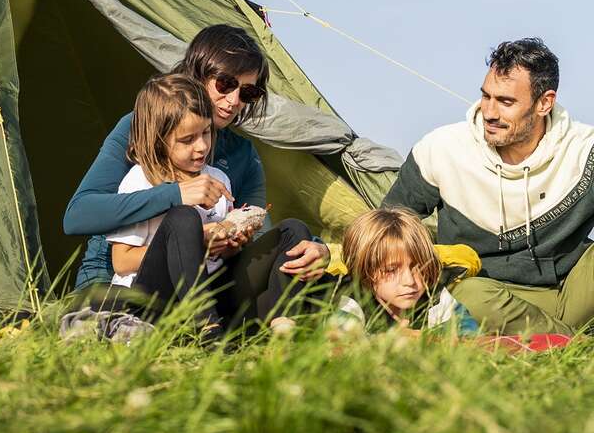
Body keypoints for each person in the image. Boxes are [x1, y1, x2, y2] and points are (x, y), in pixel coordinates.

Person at [64, 24, 329, 295]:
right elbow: (78, 215)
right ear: (197, 74)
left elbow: (259, 230)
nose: (234, 100)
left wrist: (313, 246)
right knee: (182, 221)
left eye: (248, 93)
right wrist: (176, 194)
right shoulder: (141, 127)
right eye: (225, 83)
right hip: (113, 281)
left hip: (201, 283)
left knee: (293, 241)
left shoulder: (242, 154)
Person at [384, 37, 594, 335]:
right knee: (468, 296)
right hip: (488, 295)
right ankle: (576, 345)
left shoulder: (586, 149)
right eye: (486, 97)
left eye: (506, 102)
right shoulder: (441, 149)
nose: (490, 113)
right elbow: (384, 230)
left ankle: (551, 337)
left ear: (545, 102)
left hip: (573, 290)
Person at [105, 73, 311, 335]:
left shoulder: (217, 178)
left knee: (292, 231)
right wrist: (195, 241)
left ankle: (284, 330)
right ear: (159, 139)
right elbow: (121, 263)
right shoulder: (141, 179)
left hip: (211, 292)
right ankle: (207, 332)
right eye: (188, 140)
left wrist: (232, 244)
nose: (202, 146)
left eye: (206, 133)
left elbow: (217, 259)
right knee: (183, 218)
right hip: (152, 301)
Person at [329, 207, 479, 335]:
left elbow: (471, 339)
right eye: (391, 270)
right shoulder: (352, 301)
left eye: (419, 267)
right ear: (364, 271)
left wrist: (427, 341)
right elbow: (339, 345)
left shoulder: (434, 296)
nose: (410, 281)